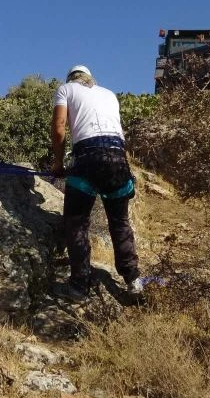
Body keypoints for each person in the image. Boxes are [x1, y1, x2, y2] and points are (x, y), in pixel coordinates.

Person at [50, 65, 143, 297]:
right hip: (118, 159)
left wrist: (58, 164)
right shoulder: (109, 94)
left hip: (87, 157)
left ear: (71, 78)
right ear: (90, 78)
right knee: (120, 222)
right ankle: (133, 280)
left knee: (77, 222)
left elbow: (59, 127)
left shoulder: (65, 90)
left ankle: (80, 284)